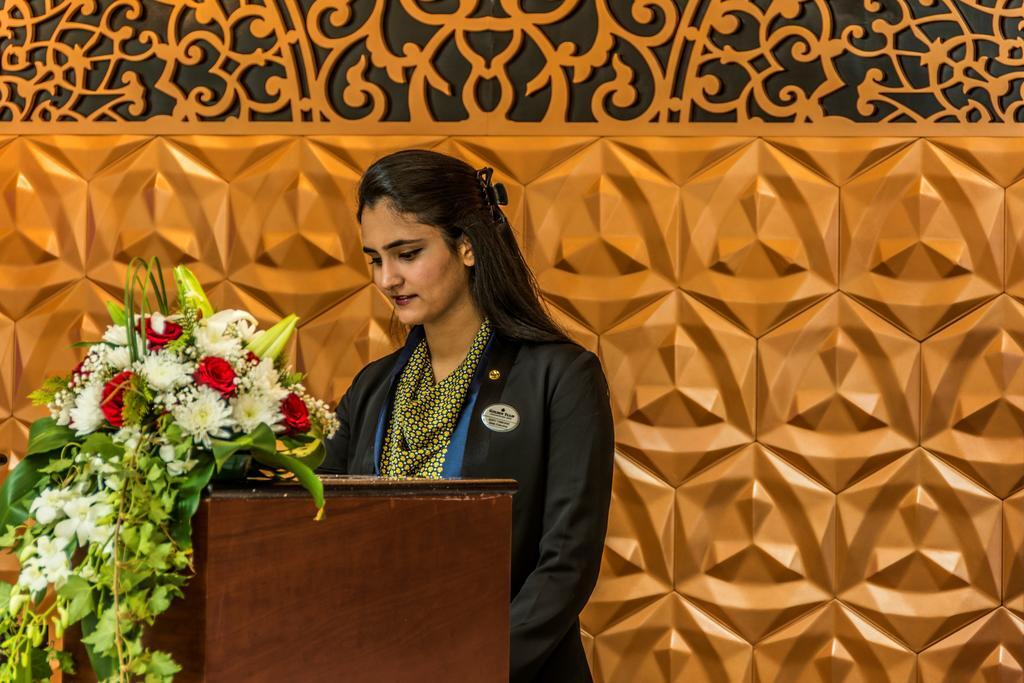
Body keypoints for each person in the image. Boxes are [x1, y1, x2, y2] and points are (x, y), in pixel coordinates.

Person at [319, 149, 614, 682]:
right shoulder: (371, 387)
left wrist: (467, 668)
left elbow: (566, 563)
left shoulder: (561, 376)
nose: (388, 278)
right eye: (375, 259)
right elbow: (320, 535)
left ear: (468, 246)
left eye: (407, 253)